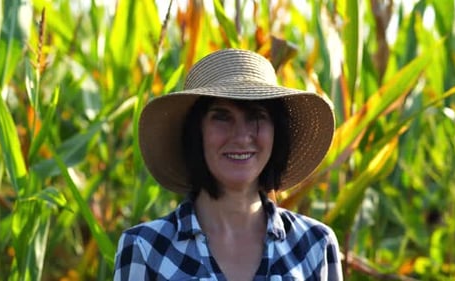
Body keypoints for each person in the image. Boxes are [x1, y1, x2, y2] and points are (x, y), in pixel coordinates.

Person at [114, 49, 343, 281]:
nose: (242, 137)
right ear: (196, 132)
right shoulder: (146, 248)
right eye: (222, 117)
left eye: (256, 116)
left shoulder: (315, 245)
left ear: (277, 132)